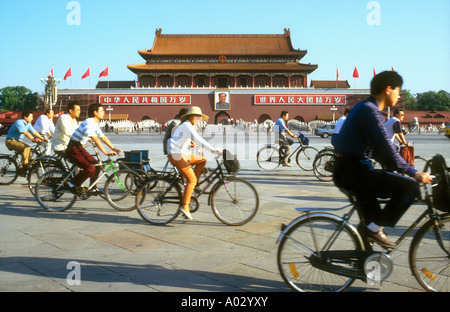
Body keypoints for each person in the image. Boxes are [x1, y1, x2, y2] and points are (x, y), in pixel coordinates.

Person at [332, 71, 431, 248]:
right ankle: (373, 230)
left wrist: (394, 166)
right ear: (388, 89)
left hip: (350, 170)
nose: (399, 95)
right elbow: (385, 149)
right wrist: (413, 173)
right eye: (398, 91)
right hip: (355, 172)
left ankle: (369, 261)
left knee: (371, 221)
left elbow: (378, 148)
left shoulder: (363, 107)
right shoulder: (371, 112)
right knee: (409, 187)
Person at [167, 106, 222, 220]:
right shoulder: (187, 126)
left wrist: (190, 144)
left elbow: (185, 139)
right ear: (190, 116)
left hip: (182, 153)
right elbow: (199, 139)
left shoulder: (187, 126)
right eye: (197, 117)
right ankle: (185, 206)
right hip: (176, 155)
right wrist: (214, 150)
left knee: (202, 160)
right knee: (191, 180)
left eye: (200, 118)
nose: (198, 119)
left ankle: (193, 186)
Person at [64, 103, 123, 195]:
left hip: (78, 146)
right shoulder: (89, 122)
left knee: (97, 166)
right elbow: (95, 138)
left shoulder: (94, 123)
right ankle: (71, 184)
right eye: (102, 111)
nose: (104, 112)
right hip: (73, 148)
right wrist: (106, 152)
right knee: (90, 168)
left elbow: (102, 137)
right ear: (95, 112)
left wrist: (114, 148)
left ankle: (93, 188)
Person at [5, 109, 49, 176]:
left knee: (30, 153)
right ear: (25, 117)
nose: (32, 118)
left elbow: (34, 132)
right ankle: (25, 165)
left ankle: (22, 170)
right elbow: (26, 133)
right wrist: (33, 139)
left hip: (19, 142)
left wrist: (42, 138)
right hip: (11, 141)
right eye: (31, 117)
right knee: (27, 148)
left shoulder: (28, 124)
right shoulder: (19, 122)